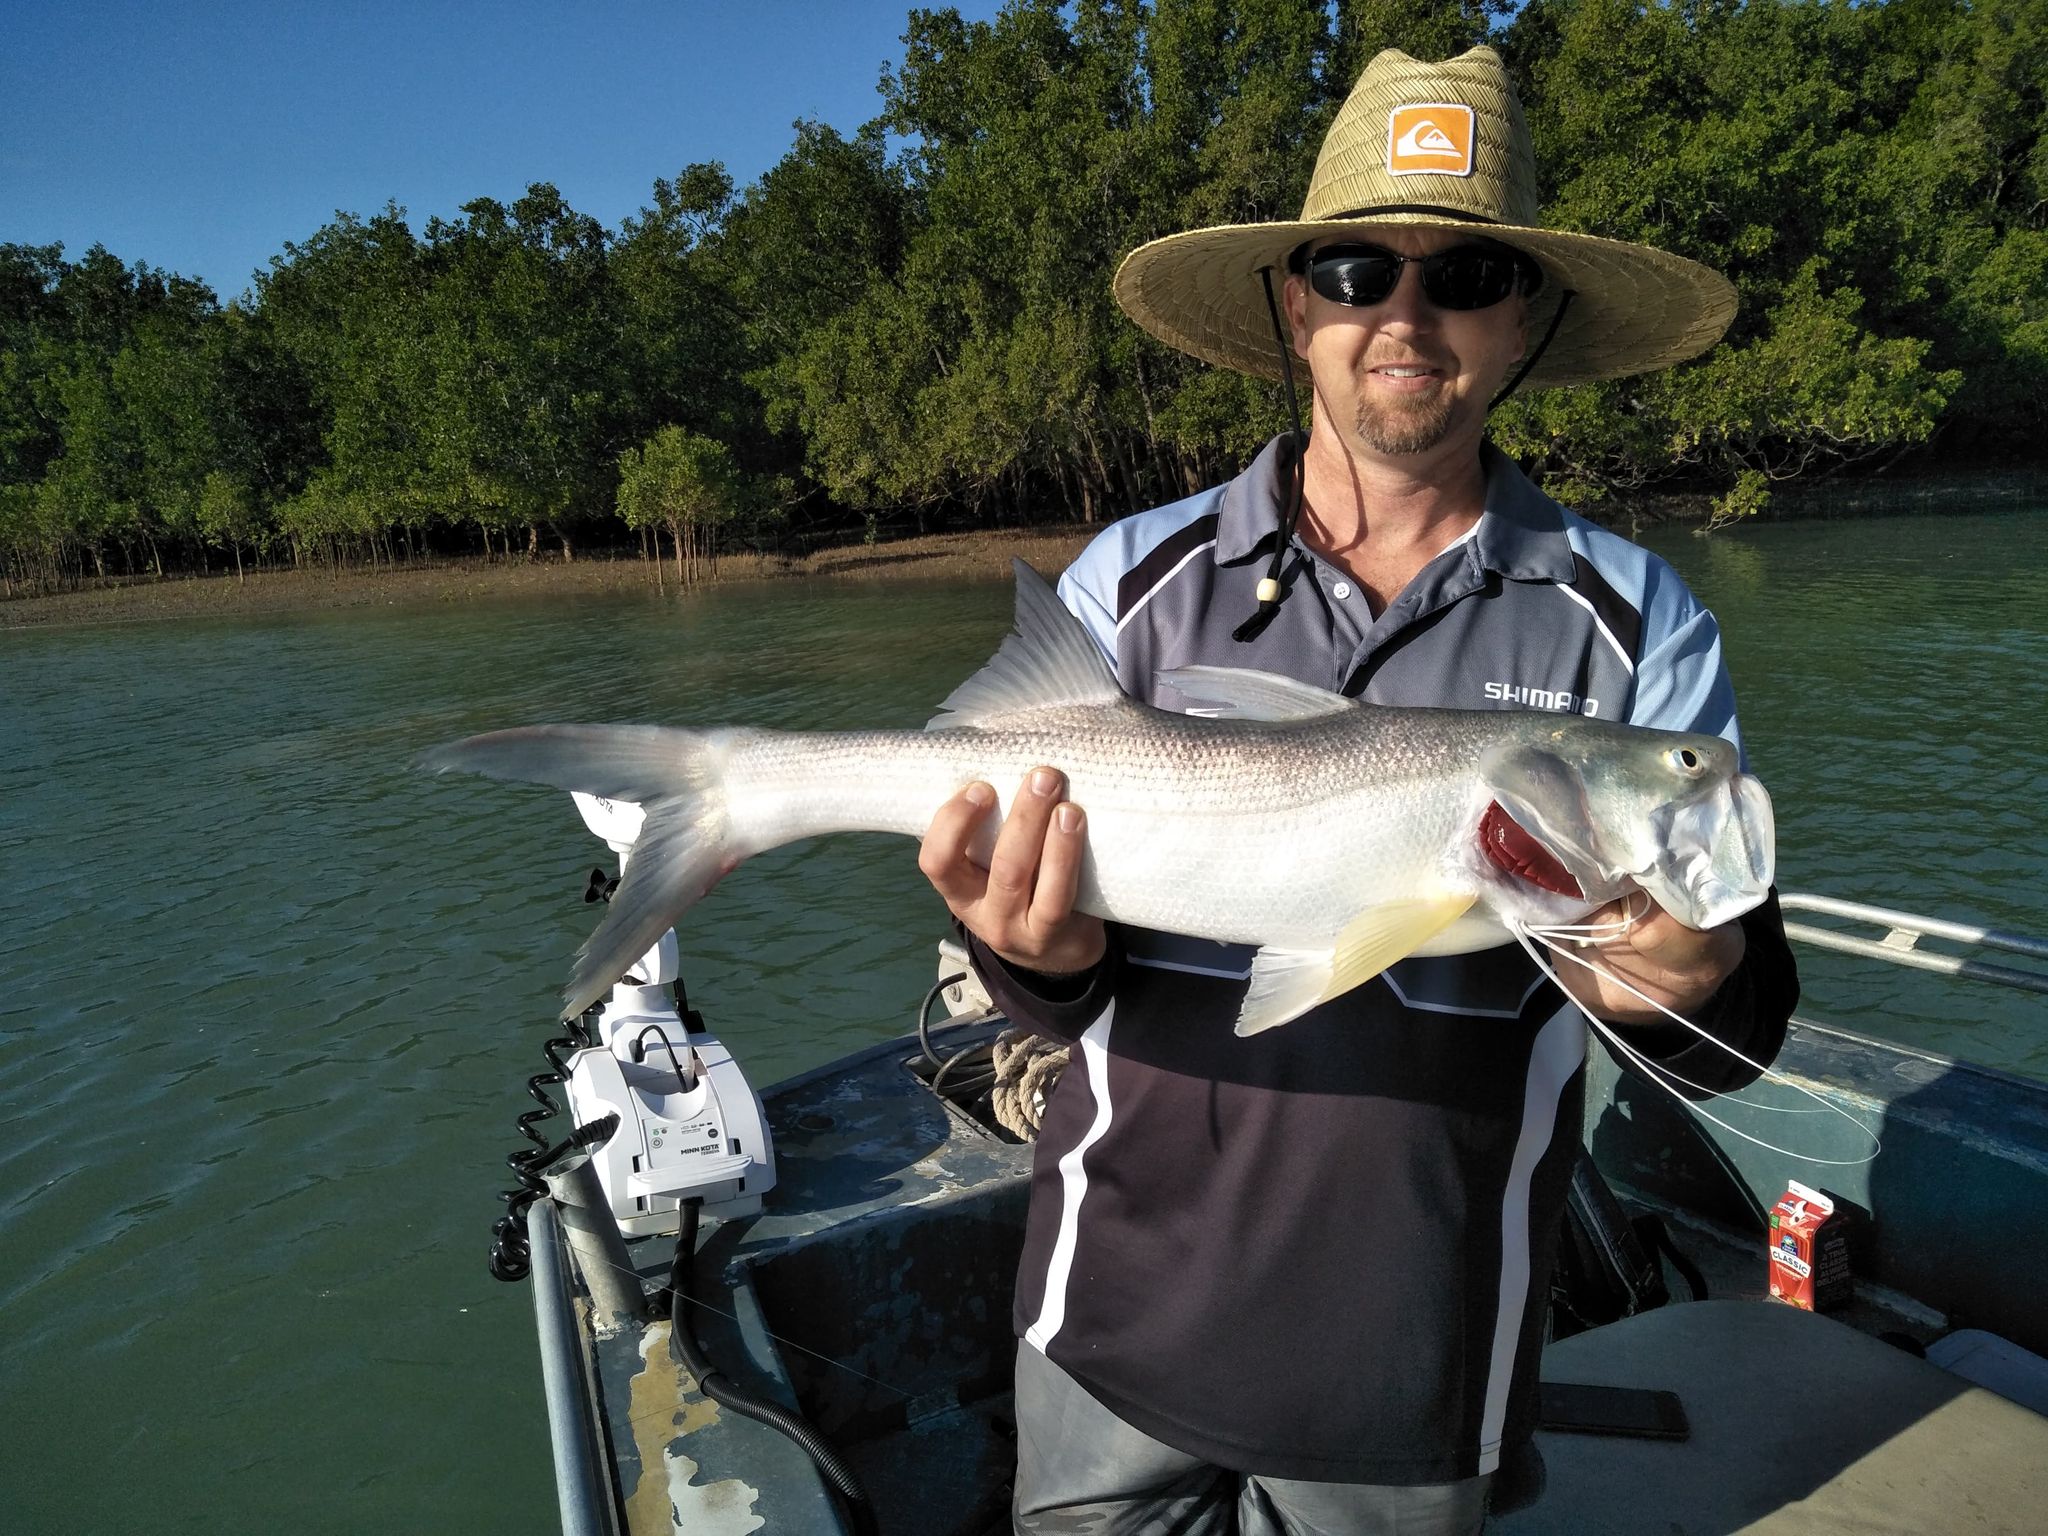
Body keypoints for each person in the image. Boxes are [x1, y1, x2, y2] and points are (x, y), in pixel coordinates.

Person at [918, 46, 1798, 1535]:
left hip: (1418, 1351)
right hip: (1108, 1309)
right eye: (1350, 270)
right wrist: (1033, 958)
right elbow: (1039, 986)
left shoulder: (1644, 622)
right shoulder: (1127, 586)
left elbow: (1730, 1025)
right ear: (1293, 307)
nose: (1405, 315)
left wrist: (1697, 978)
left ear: (1524, 315)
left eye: (1461, 273)